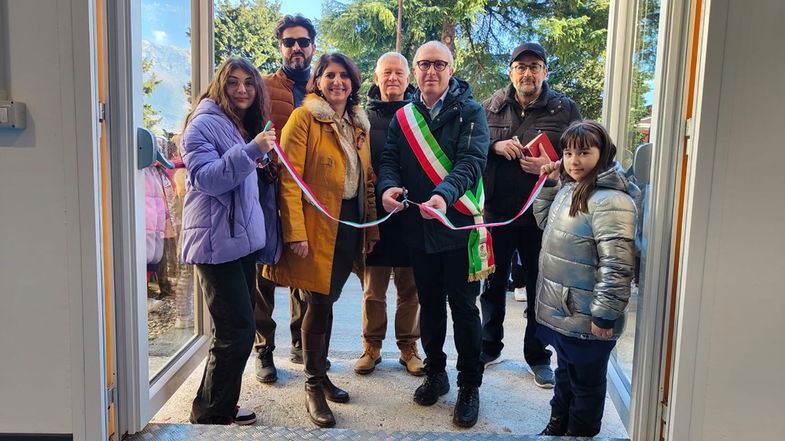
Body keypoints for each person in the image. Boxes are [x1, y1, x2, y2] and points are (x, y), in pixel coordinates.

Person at [263, 53, 379, 428]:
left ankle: (321, 374)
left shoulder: (358, 125)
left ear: (353, 83)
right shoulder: (304, 117)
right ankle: (313, 384)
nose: (337, 82)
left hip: (349, 226)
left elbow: (369, 180)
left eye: (344, 76)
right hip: (316, 228)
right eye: (330, 75)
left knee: (327, 302)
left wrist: (371, 228)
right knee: (317, 302)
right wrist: (295, 232)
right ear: (318, 80)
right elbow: (289, 178)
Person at [378, 41, 489, 428]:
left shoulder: (472, 111)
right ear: (416, 70)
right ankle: (436, 373)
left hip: (457, 226)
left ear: (450, 68)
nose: (430, 71)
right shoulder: (404, 117)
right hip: (418, 229)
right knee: (429, 305)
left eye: (439, 64)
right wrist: (387, 187)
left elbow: (471, 162)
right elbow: (390, 160)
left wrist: (444, 195)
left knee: (463, 309)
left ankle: (469, 385)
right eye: (423, 64)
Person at [180, 57, 277, 425]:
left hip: (235, 243)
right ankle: (211, 415)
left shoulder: (233, 124)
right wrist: (252, 150)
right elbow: (208, 179)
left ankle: (215, 404)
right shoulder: (203, 124)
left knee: (233, 329)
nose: (242, 90)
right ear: (220, 85)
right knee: (237, 330)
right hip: (214, 244)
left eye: (249, 83)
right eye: (233, 82)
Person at [479, 42, 581, 388]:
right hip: (497, 214)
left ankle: (538, 357)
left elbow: (584, 158)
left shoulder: (565, 110)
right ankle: (489, 346)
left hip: (544, 217)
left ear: (545, 72)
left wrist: (553, 167)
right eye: (520, 67)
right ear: (510, 72)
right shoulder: (489, 108)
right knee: (491, 286)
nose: (527, 73)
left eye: (534, 66)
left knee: (541, 289)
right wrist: (494, 147)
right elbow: (471, 150)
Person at [534, 121, 637, 437]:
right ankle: (559, 421)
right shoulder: (569, 189)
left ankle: (581, 429)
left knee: (587, 383)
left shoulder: (611, 201)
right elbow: (543, 221)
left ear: (602, 153)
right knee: (565, 373)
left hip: (589, 316)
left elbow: (617, 265)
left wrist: (605, 314)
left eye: (583, 152)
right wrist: (550, 184)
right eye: (567, 153)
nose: (573, 160)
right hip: (566, 311)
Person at [254, 14, 319, 384]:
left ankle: (300, 339)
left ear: (312, 46)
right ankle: (264, 348)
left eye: (303, 41)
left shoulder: (322, 89)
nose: (297, 48)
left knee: (301, 268)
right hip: (267, 192)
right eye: (289, 42)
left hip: (309, 197)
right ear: (280, 47)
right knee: (264, 273)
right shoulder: (262, 88)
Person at [354, 52, 423, 377]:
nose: (393, 78)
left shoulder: (420, 114)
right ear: (377, 78)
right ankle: (372, 346)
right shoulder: (361, 118)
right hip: (375, 217)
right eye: (387, 73)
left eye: (399, 73)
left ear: (408, 79)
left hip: (410, 215)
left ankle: (409, 347)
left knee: (410, 290)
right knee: (374, 291)